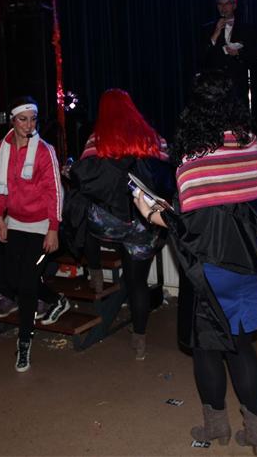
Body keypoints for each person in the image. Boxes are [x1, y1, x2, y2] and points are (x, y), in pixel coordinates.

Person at [134, 70, 257, 455]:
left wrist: (152, 214)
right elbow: (244, 201)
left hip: (213, 269)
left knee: (206, 348)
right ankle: (256, 432)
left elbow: (193, 225)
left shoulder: (192, 156)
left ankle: (216, 427)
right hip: (252, 262)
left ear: (195, 109)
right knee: (240, 347)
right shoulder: (250, 144)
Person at [68, 89, 172, 360]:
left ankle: (95, 272)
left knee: (83, 210)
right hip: (143, 221)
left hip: (108, 223)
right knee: (137, 283)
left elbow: (86, 180)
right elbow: (167, 173)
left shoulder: (97, 139)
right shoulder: (152, 137)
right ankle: (140, 341)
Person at [0, 96, 70, 372]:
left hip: (41, 225)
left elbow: (55, 192)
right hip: (15, 222)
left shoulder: (44, 151)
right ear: (12, 121)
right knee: (14, 280)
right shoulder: (1, 149)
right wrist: (0, 219)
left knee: (26, 285)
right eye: (23, 119)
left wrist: (53, 229)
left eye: (33, 119)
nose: (29, 125)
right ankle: (56, 299)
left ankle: (24, 342)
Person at [203, 0, 254, 106]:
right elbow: (202, 56)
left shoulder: (246, 28)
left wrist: (238, 53)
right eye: (220, 4)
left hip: (238, 85)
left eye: (227, 3)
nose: (223, 7)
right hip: (215, 87)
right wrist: (216, 33)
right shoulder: (208, 28)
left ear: (234, 5)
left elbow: (255, 55)